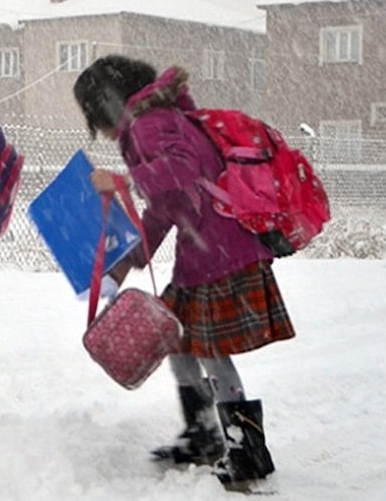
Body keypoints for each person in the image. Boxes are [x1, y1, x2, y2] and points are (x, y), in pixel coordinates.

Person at [73, 55, 294, 488]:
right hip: (205, 252)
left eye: (93, 117)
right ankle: (204, 433)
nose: (97, 129)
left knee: (211, 351)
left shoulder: (150, 123)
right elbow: (164, 209)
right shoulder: (153, 122)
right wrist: (127, 263)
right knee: (178, 340)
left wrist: (121, 179)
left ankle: (245, 451)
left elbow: (182, 169)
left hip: (220, 253)